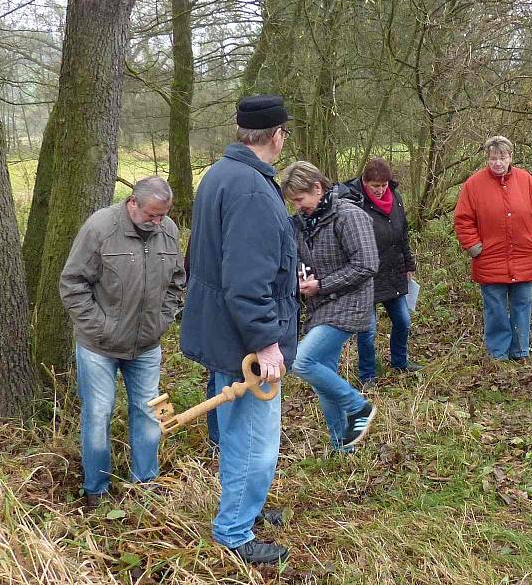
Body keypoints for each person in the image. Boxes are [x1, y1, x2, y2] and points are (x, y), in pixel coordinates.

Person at [180, 95, 297, 565]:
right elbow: (247, 283)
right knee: (253, 440)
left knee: (238, 434)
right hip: (241, 342)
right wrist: (266, 342)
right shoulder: (250, 189)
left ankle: (246, 508)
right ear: (277, 136)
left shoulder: (220, 175)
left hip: (222, 331)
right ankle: (234, 531)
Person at [60, 176, 185, 508]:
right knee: (98, 413)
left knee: (149, 411)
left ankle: (146, 483)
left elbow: (176, 280)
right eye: (151, 215)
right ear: (133, 203)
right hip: (98, 346)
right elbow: (73, 283)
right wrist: (99, 326)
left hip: (146, 345)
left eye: (162, 215)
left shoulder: (168, 230)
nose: (157, 222)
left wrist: (163, 319)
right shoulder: (100, 228)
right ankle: (96, 489)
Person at [281, 161, 379, 452]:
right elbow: (302, 259)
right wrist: (301, 276)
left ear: (317, 188)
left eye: (300, 200)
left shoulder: (348, 215)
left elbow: (367, 264)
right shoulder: (301, 223)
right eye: (293, 202)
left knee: (301, 361)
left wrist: (321, 284)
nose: (298, 207)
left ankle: (358, 406)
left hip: (351, 304)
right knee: (324, 375)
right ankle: (342, 445)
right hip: (321, 306)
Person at [454, 136, 532, 361]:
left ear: (510, 157)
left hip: (524, 255)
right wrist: (473, 246)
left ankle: (520, 350)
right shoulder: (473, 185)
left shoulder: (526, 180)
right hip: (489, 258)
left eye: (502, 157)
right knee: (495, 309)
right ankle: (498, 354)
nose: (498, 163)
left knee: (522, 306)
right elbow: (463, 219)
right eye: (493, 158)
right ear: (487, 159)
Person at [339, 158, 422, 387]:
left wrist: (408, 264)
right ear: (365, 182)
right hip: (365, 276)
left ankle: (400, 362)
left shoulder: (396, 198)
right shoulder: (353, 202)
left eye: (384, 185)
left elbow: (402, 233)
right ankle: (367, 375)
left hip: (393, 270)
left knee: (403, 321)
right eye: (375, 186)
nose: (380, 190)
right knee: (368, 330)